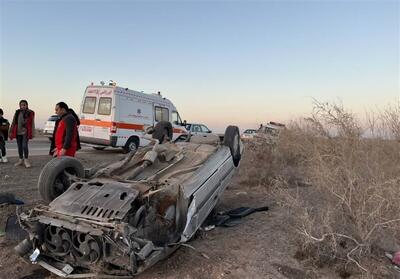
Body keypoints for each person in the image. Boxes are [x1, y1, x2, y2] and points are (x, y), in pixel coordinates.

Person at [9, 100, 35, 168]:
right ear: (19, 105)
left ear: (27, 105)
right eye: (21, 105)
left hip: (25, 132)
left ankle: (26, 160)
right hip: (18, 132)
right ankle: (20, 160)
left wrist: (32, 132)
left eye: (24, 105)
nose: (23, 106)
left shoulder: (30, 113)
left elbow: (32, 124)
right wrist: (11, 131)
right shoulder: (17, 112)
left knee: (24, 146)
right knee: (19, 146)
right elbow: (14, 122)